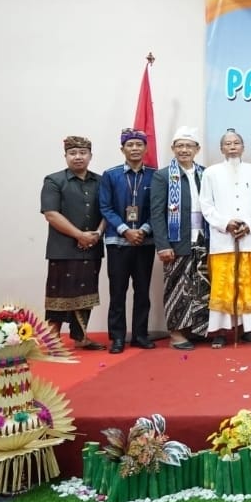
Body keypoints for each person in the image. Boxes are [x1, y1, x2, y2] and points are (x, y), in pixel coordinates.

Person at [200, 129, 251, 348]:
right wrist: (225, 223)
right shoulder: (211, 173)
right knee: (222, 285)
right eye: (228, 143)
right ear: (221, 148)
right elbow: (206, 205)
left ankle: (247, 329)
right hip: (222, 240)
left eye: (236, 143)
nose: (232, 146)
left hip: (248, 239)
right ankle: (220, 332)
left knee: (246, 283)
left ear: (243, 147)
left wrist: (248, 225)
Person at [40, 135, 106, 351]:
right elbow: (51, 214)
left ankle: (81, 337)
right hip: (63, 249)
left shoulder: (101, 181)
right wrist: (79, 235)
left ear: (90, 156)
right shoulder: (53, 181)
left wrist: (96, 234)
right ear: (66, 156)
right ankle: (52, 339)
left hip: (92, 247)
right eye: (73, 153)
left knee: (87, 293)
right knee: (59, 293)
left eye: (82, 153)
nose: (78, 157)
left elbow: (108, 211)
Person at [149, 126, 210, 351]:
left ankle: (195, 329)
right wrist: (162, 245)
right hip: (177, 240)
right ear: (173, 148)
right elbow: (156, 213)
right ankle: (176, 333)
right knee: (177, 287)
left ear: (197, 149)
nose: (184, 150)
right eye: (180, 146)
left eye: (189, 146)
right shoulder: (163, 175)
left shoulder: (205, 173)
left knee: (201, 285)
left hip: (203, 238)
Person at [98, 128, 157, 354]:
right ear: (122, 149)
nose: (134, 148)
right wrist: (125, 231)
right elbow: (105, 207)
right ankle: (117, 338)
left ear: (146, 148)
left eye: (139, 144)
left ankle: (140, 335)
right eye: (130, 145)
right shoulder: (110, 175)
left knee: (142, 291)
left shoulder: (154, 175)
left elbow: (157, 207)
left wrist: (143, 229)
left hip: (144, 242)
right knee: (118, 292)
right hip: (118, 243)